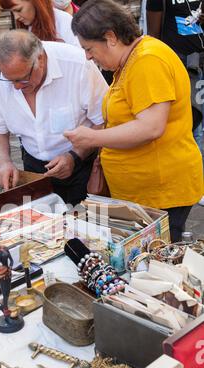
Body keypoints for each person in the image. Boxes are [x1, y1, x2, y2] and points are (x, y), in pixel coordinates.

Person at [64, 0, 203, 242]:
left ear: (110, 37)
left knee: (159, 265)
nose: (87, 57)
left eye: (89, 48)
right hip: (145, 192)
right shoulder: (132, 59)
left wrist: (92, 137)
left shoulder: (147, 60)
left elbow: (151, 126)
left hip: (161, 193)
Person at [0, 29, 108, 206]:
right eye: (10, 81)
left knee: (83, 227)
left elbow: (105, 121)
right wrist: (4, 163)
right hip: (35, 168)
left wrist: (74, 156)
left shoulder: (78, 65)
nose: (17, 87)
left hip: (83, 165)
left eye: (22, 79)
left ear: (40, 59)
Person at [147, 0, 204, 205]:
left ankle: (197, 180)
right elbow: (153, 33)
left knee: (200, 123)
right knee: (190, 123)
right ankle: (192, 183)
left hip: (199, 59)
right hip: (178, 63)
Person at [0, 0, 80, 46]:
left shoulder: (64, 21)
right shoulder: (26, 27)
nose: (16, 17)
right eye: (12, 12)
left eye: (18, 10)